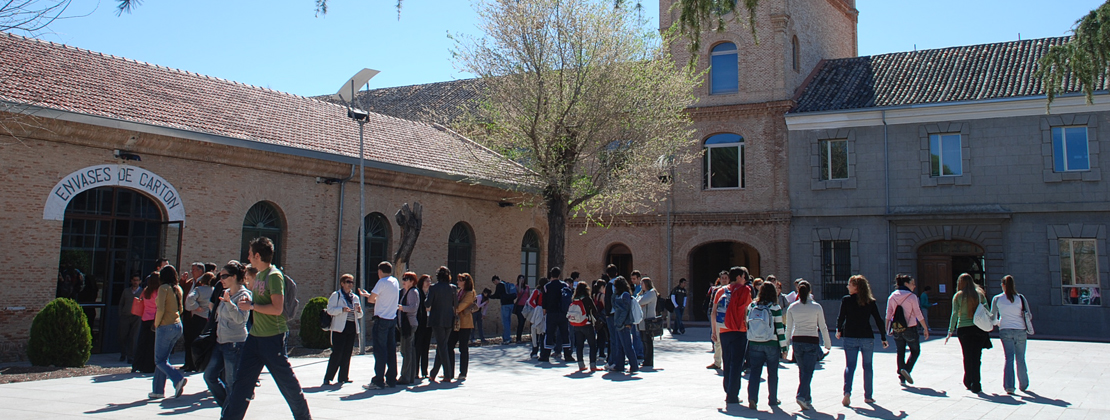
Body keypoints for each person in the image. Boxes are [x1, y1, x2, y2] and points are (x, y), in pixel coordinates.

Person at [221, 237, 311, 420]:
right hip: (254, 338)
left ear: (257, 255)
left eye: (249, 253)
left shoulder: (274, 276)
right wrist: (250, 304)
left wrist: (252, 306)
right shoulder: (259, 275)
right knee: (241, 384)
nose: (247, 257)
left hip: (273, 338)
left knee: (287, 384)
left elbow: (277, 309)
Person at [836, 275, 888, 407]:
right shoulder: (870, 302)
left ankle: (847, 392)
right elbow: (878, 319)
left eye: (850, 284)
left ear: (856, 287)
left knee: (850, 366)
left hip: (850, 336)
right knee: (868, 367)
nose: (847, 286)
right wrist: (883, 337)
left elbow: (841, 317)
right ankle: (868, 396)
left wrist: (839, 330)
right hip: (867, 337)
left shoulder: (846, 300)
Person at [205, 261, 252, 407]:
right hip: (220, 342)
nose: (221, 279)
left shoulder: (244, 295)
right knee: (209, 376)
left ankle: (231, 412)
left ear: (234, 276)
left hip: (235, 344)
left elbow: (241, 320)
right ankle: (228, 407)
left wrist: (229, 304)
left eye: (224, 276)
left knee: (232, 383)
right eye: (220, 276)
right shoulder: (225, 293)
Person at [786, 280, 831, 411]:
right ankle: (801, 395)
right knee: (808, 371)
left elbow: (789, 328)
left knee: (803, 370)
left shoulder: (792, 307)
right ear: (810, 291)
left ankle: (807, 397)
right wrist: (827, 343)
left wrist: (786, 345)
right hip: (812, 340)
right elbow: (822, 326)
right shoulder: (816, 307)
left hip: (797, 340)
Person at [358, 261, 400, 390]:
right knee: (391, 350)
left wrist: (368, 296)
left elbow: (371, 300)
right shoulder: (395, 281)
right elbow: (383, 299)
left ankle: (378, 380)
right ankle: (391, 379)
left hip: (381, 319)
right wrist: (370, 296)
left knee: (380, 350)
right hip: (392, 319)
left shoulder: (381, 282)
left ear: (380, 271)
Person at [745, 282, 787, 410]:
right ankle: (772, 399)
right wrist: (784, 348)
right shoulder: (775, 308)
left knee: (755, 371)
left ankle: (752, 398)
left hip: (754, 343)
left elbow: (747, 323)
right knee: (772, 372)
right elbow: (780, 329)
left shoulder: (752, 306)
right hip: (771, 343)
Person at [946, 273, 990, 394]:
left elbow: (954, 314)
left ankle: (968, 380)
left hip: (964, 328)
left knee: (967, 355)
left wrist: (950, 330)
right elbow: (987, 311)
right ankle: (976, 383)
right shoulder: (980, 295)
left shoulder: (958, 296)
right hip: (978, 328)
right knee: (976, 356)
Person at [885, 274, 930, 386]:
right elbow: (918, 314)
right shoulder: (912, 297)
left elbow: (888, 314)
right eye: (912, 283)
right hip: (910, 328)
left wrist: (887, 328)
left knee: (900, 351)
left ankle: (902, 376)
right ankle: (906, 369)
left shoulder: (892, 296)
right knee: (915, 351)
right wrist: (925, 328)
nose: (914, 286)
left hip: (897, 328)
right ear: (906, 284)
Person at [150, 265, 187, 400]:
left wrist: (156, 323)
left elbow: (160, 309)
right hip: (178, 325)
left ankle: (178, 379)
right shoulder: (178, 289)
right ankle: (158, 390)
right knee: (164, 359)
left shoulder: (163, 288)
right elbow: (181, 308)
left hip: (165, 326)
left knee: (159, 360)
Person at [718, 266, 753, 405]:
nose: (745, 280)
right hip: (739, 330)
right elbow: (746, 310)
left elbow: (714, 311)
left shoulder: (721, 290)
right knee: (737, 363)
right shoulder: (746, 291)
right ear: (738, 277)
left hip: (724, 331)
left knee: (726, 361)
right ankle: (733, 395)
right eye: (744, 277)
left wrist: (714, 332)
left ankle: (728, 389)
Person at [990, 275, 1031, 394]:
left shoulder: (997, 299)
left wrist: (999, 323)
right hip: (1020, 330)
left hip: (1005, 329)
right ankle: (1023, 384)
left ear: (1003, 285)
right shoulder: (1021, 298)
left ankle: (1009, 387)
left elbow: (993, 318)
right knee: (1021, 358)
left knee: (1009, 358)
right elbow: (1029, 314)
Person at [323, 273, 362, 386]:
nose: (350, 284)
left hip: (351, 327)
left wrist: (359, 310)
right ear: (342, 283)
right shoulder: (337, 295)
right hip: (339, 328)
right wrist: (341, 309)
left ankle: (343, 377)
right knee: (337, 353)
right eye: (348, 282)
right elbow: (330, 310)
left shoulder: (355, 297)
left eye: (352, 282)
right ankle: (328, 377)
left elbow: (360, 316)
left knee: (347, 353)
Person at [426, 266, 459, 382]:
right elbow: (456, 304)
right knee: (442, 345)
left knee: (442, 346)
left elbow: (427, 304)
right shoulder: (453, 288)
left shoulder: (433, 288)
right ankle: (433, 373)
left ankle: (448, 374)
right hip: (449, 319)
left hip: (437, 319)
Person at [183, 272, 215, 372]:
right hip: (209, 318)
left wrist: (196, 307)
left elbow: (190, 298)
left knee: (192, 341)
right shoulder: (214, 290)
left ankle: (191, 363)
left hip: (198, 317)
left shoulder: (198, 289)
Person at [567, 281, 602, 371]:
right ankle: (593, 365)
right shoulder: (587, 298)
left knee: (579, 345)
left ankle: (581, 365)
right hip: (587, 324)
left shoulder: (574, 299)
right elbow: (594, 310)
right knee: (592, 345)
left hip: (577, 324)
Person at [541, 267, 572, 363]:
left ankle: (546, 355)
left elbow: (544, 301)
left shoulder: (547, 286)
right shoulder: (565, 285)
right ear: (559, 275)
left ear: (551, 275)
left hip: (551, 313)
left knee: (549, 333)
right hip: (563, 313)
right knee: (565, 333)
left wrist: (544, 311)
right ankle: (567, 355)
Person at [609, 277, 638, 373]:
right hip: (618, 323)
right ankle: (619, 365)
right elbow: (613, 303)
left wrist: (620, 322)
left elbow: (625, 310)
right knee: (619, 346)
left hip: (624, 324)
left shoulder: (625, 295)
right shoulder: (618, 295)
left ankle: (634, 366)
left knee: (627, 346)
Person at [132, 271, 160, 373]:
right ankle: (149, 366)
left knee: (142, 343)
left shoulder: (146, 291)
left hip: (145, 318)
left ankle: (137, 365)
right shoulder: (158, 292)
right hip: (155, 319)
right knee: (152, 344)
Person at [450, 273, 477, 381]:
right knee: (449, 345)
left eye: (460, 280)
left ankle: (463, 372)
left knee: (463, 348)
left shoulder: (470, 293)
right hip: (456, 323)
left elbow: (460, 307)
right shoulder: (458, 292)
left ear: (466, 282)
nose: (458, 282)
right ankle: (449, 371)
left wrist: (450, 309)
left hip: (465, 324)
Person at [398, 273, 420, 385]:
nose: (403, 281)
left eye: (406, 279)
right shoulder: (404, 291)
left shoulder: (412, 292)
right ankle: (410, 376)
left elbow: (413, 307)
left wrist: (402, 308)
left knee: (406, 351)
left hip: (409, 324)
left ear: (412, 281)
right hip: (405, 325)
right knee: (407, 350)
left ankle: (405, 376)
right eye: (403, 279)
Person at [118, 273, 143, 363]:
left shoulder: (142, 292)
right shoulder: (126, 291)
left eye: (137, 280)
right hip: (125, 315)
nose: (135, 282)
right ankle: (123, 354)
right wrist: (121, 313)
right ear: (131, 281)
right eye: (134, 280)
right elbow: (121, 303)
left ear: (140, 282)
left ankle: (131, 356)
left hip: (136, 317)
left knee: (134, 337)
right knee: (123, 336)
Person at [707, 270, 729, 370]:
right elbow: (712, 305)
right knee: (717, 342)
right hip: (719, 319)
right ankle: (717, 362)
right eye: (722, 278)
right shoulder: (716, 290)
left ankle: (728, 362)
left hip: (729, 319)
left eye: (726, 278)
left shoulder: (732, 290)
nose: (724, 280)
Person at [637, 277, 659, 367]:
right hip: (642, 321)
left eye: (642, 283)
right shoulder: (643, 293)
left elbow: (641, 301)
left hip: (648, 321)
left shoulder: (651, 293)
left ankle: (648, 361)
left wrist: (640, 302)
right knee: (643, 341)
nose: (641, 285)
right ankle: (645, 359)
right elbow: (636, 301)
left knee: (648, 341)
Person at [489, 275, 517, 345]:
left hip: (505, 305)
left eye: (494, 282)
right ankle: (506, 338)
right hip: (511, 304)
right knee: (508, 321)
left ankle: (507, 338)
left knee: (505, 322)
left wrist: (489, 296)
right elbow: (500, 296)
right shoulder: (506, 284)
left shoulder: (499, 285)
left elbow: (496, 295)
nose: (495, 284)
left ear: (495, 280)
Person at [414, 274, 432, 379]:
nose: (429, 283)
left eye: (430, 281)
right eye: (427, 281)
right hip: (420, 323)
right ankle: (415, 371)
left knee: (426, 348)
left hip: (429, 323)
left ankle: (424, 371)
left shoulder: (430, 293)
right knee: (418, 347)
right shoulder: (418, 293)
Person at [527, 277, 547, 358]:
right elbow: (530, 301)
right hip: (540, 313)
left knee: (539, 332)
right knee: (538, 332)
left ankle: (536, 350)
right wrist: (537, 308)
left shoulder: (541, 291)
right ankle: (536, 350)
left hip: (541, 313)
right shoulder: (538, 291)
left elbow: (530, 301)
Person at [591, 278, 608, 360]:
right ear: (602, 287)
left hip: (597, 318)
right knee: (603, 336)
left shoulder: (595, 295)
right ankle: (601, 353)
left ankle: (596, 352)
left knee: (599, 336)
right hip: (603, 318)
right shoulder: (602, 296)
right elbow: (605, 307)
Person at [512, 275, 531, 343]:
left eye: (523, 279)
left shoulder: (527, 287)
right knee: (521, 321)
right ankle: (518, 338)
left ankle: (523, 337)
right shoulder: (516, 286)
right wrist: (519, 283)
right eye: (520, 279)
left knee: (524, 321)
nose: (522, 280)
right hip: (519, 306)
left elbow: (528, 296)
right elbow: (519, 292)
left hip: (525, 306)